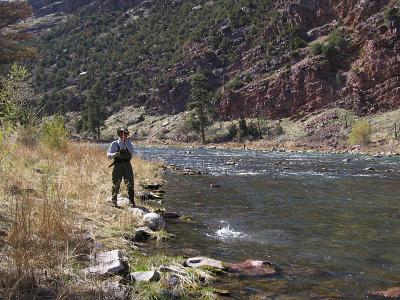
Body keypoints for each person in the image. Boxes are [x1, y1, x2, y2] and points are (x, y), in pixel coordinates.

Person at [107, 127, 135, 208]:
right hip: (118, 165)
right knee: (116, 183)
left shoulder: (130, 144)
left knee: (130, 183)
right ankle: (114, 201)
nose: (124, 135)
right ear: (119, 134)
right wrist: (115, 154)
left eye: (125, 133)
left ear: (127, 135)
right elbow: (108, 155)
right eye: (122, 133)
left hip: (127, 165)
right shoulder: (114, 143)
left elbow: (131, 153)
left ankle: (131, 201)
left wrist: (125, 144)